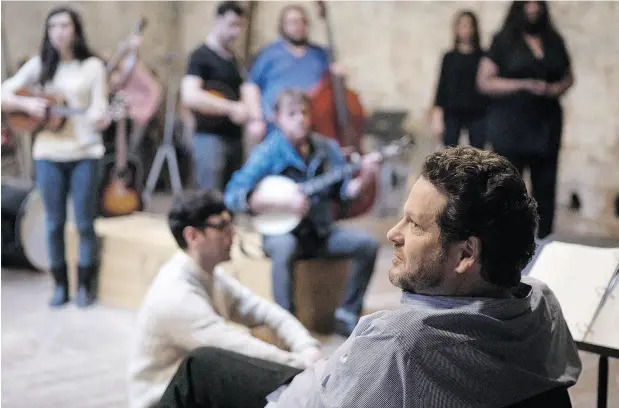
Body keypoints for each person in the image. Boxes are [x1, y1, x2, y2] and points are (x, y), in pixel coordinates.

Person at [159, 146, 582, 408]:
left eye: (415, 226)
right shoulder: (542, 302)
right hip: (331, 378)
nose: (393, 234)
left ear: (465, 254)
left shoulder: (400, 344)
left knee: (199, 371)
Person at [126, 189, 322, 408]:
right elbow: (239, 349)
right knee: (208, 364)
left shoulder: (210, 275)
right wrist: (305, 367)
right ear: (192, 236)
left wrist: (306, 346)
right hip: (167, 401)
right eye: (221, 226)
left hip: (194, 393)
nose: (232, 233)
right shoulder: (176, 295)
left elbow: (265, 311)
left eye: (231, 223)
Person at [224, 89, 380, 337]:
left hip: (319, 232)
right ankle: (287, 324)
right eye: (292, 113)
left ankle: (347, 313)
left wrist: (366, 177)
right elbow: (233, 194)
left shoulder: (326, 148)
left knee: (367, 245)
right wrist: (282, 205)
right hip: (281, 234)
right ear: (277, 117)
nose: (300, 119)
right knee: (284, 247)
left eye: (305, 112)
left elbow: (345, 195)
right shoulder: (268, 152)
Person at [1, 6, 109, 307]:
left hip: (85, 151)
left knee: (85, 221)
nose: (59, 32)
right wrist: (29, 106)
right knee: (53, 222)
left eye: (65, 25)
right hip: (48, 153)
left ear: (76, 29)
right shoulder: (39, 66)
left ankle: (85, 286)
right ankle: (59, 285)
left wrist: (101, 117)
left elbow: (100, 105)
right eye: (53, 27)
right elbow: (4, 93)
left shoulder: (92, 67)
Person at [477, 0, 574, 239]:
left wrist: (555, 88)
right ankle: (509, 246)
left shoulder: (553, 40)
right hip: (510, 125)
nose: (533, 8)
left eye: (537, 3)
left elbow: (569, 76)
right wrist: (523, 84)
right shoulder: (503, 41)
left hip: (546, 125)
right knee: (509, 188)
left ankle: (544, 244)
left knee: (546, 188)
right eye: (528, 4)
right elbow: (485, 81)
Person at [243, 4, 346, 141]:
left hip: (314, 125)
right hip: (275, 127)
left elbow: (331, 90)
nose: (299, 26)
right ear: (283, 26)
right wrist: (256, 119)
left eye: (303, 21)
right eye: (293, 22)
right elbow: (250, 86)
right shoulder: (269, 54)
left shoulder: (321, 54)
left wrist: (339, 78)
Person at [180, 1, 254, 192]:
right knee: (209, 200)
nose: (235, 32)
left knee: (230, 200)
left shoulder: (235, 61)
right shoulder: (200, 56)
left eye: (239, 26)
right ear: (218, 21)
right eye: (231, 25)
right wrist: (231, 108)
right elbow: (190, 95)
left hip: (235, 139)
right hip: (209, 138)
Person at [430, 10, 488, 149]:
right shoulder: (449, 57)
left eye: (469, 26)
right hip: (452, 112)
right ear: (456, 28)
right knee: (449, 153)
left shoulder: (483, 56)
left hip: (478, 112)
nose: (466, 30)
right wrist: (437, 117)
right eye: (462, 25)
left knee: (478, 155)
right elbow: (441, 87)